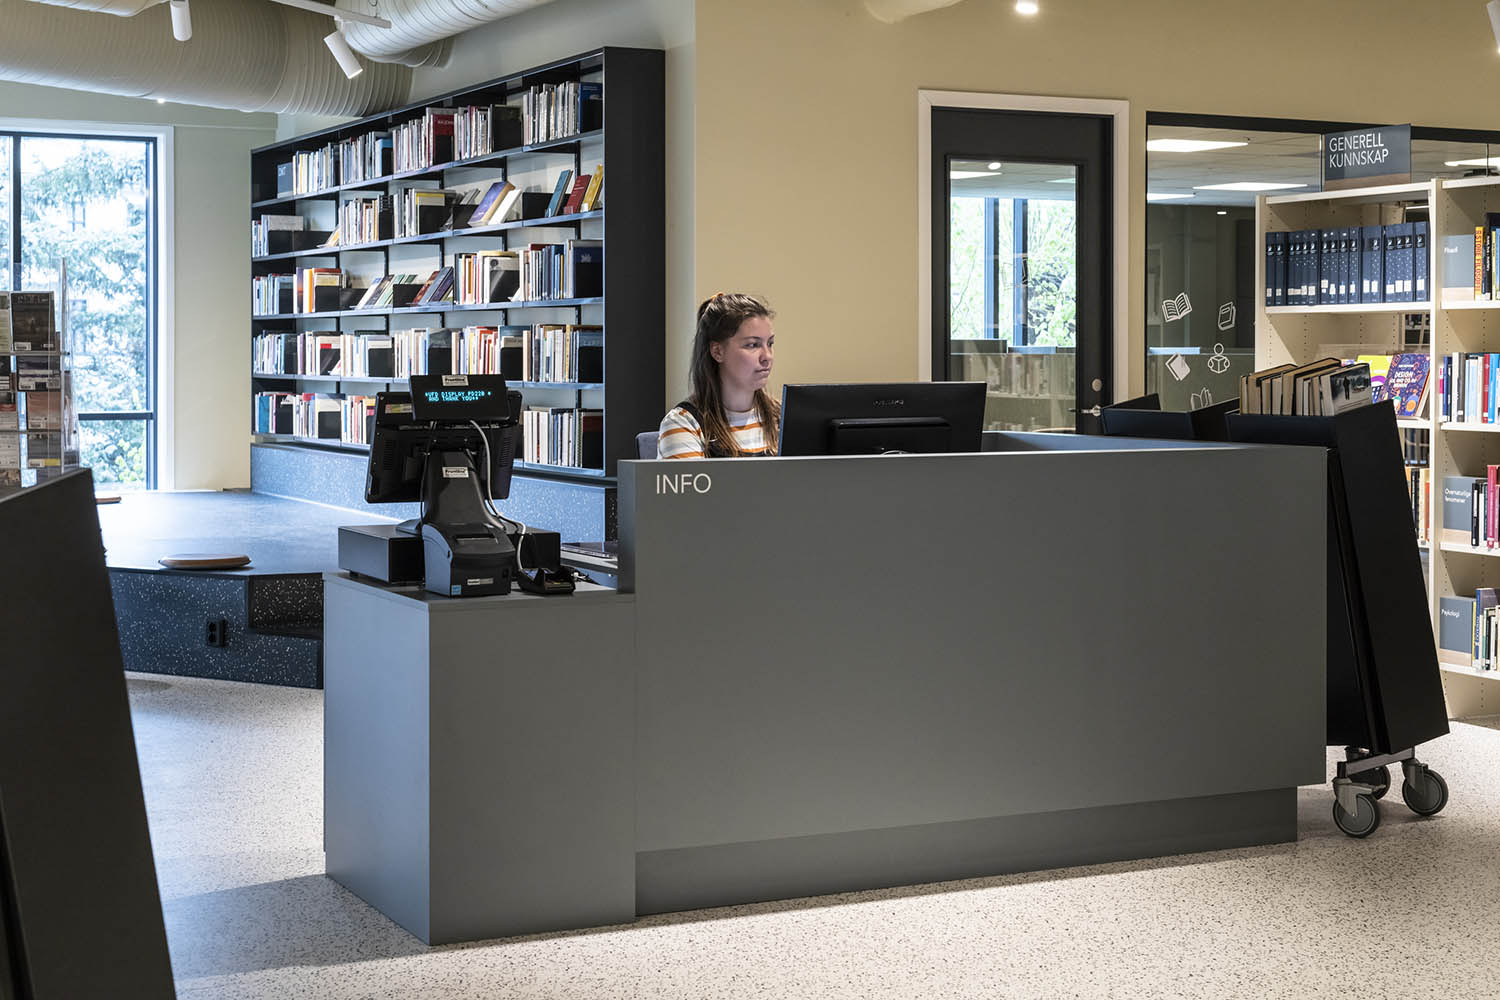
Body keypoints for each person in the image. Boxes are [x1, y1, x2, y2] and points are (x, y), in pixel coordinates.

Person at [657, 292, 779, 458]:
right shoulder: (683, 424)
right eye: (752, 345)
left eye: (770, 343)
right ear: (717, 351)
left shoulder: (783, 417)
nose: (767, 356)